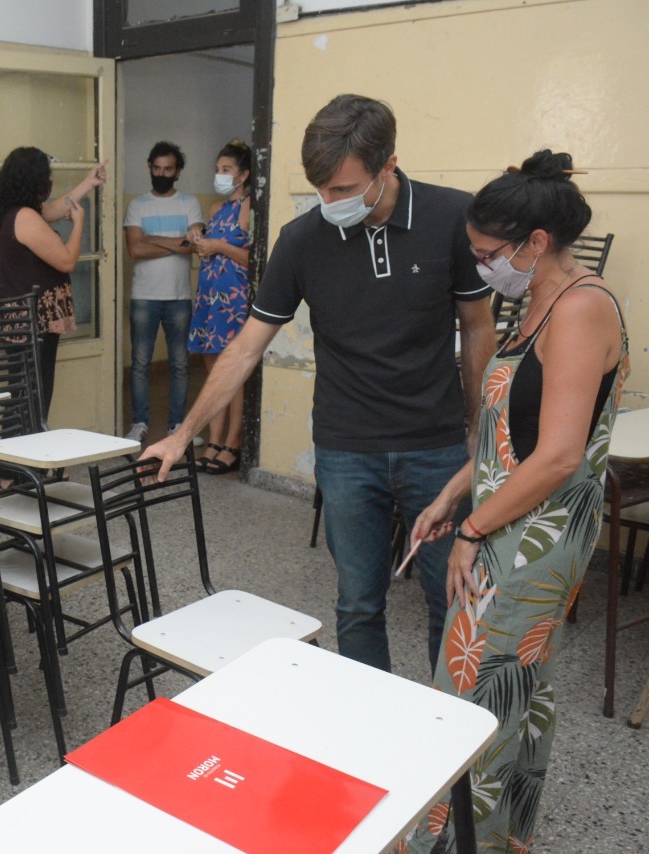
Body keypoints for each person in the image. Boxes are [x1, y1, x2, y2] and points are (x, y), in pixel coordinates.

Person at [144, 95, 496, 673]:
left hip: (435, 446)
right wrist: (184, 434)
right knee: (358, 604)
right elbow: (247, 345)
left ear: (388, 165)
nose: (330, 203)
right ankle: (366, 719)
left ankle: (450, 724)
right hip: (346, 448)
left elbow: (478, 327)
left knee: (451, 600)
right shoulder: (303, 238)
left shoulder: (451, 217)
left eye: (343, 189)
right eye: (321, 190)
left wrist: (480, 431)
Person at [401, 151, 628, 853]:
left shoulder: (582, 308)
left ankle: (452, 840)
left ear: (536, 242)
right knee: (507, 689)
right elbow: (508, 436)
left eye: (488, 254)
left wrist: (471, 530)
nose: (481, 267)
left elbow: (558, 455)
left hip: (534, 538)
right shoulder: (537, 302)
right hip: (504, 516)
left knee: (477, 691)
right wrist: (451, 495)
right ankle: (493, 838)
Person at [0, 146, 107, 425]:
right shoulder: (25, 216)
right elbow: (66, 261)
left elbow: (54, 210)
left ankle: (18, 451)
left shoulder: (12, 208)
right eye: (46, 177)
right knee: (34, 397)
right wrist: (79, 224)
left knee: (26, 395)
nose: (49, 182)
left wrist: (88, 183)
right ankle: (23, 452)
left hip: (27, 318)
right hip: (33, 320)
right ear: (35, 180)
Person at [123, 141, 204, 444]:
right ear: (149, 168)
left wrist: (153, 238)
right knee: (140, 363)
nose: (161, 174)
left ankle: (177, 426)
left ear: (178, 172)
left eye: (168, 169)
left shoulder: (190, 204)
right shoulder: (137, 205)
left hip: (179, 297)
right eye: (157, 168)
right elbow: (135, 250)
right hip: (144, 296)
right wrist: (176, 243)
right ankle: (139, 423)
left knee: (180, 364)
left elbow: (193, 245)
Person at [186, 139, 254, 474]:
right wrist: (197, 232)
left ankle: (232, 442)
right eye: (218, 169)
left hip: (233, 299)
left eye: (227, 170)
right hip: (209, 296)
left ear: (243, 175)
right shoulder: (215, 209)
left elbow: (252, 258)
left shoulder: (249, 207)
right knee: (213, 371)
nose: (221, 175)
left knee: (232, 372)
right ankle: (213, 441)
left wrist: (218, 246)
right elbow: (206, 243)